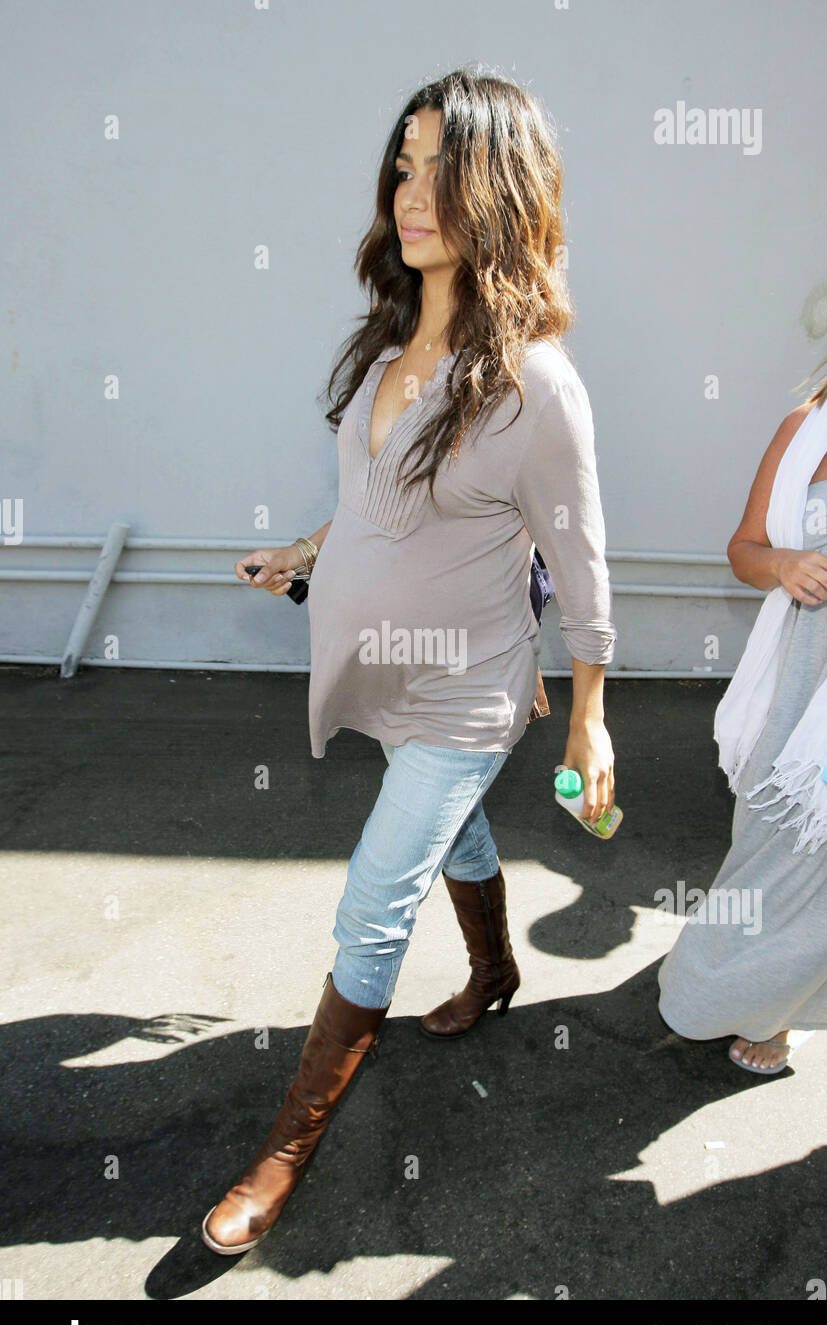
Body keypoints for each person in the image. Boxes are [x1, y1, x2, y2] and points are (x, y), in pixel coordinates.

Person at [201, 65, 617, 1256]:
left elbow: (579, 562)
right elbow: (379, 498)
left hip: (466, 691)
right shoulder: (388, 344)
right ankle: (495, 974)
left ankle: (284, 1147)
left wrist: (586, 718)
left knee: (374, 899)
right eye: (403, 162)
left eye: (443, 165)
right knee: (459, 833)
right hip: (379, 668)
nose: (411, 189)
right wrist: (306, 550)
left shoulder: (538, 384)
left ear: (504, 188)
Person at [658, 362, 827, 1074]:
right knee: (768, 843)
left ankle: (775, 1009)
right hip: (793, 676)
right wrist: (783, 563)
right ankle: (750, 992)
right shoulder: (800, 431)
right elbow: (742, 551)